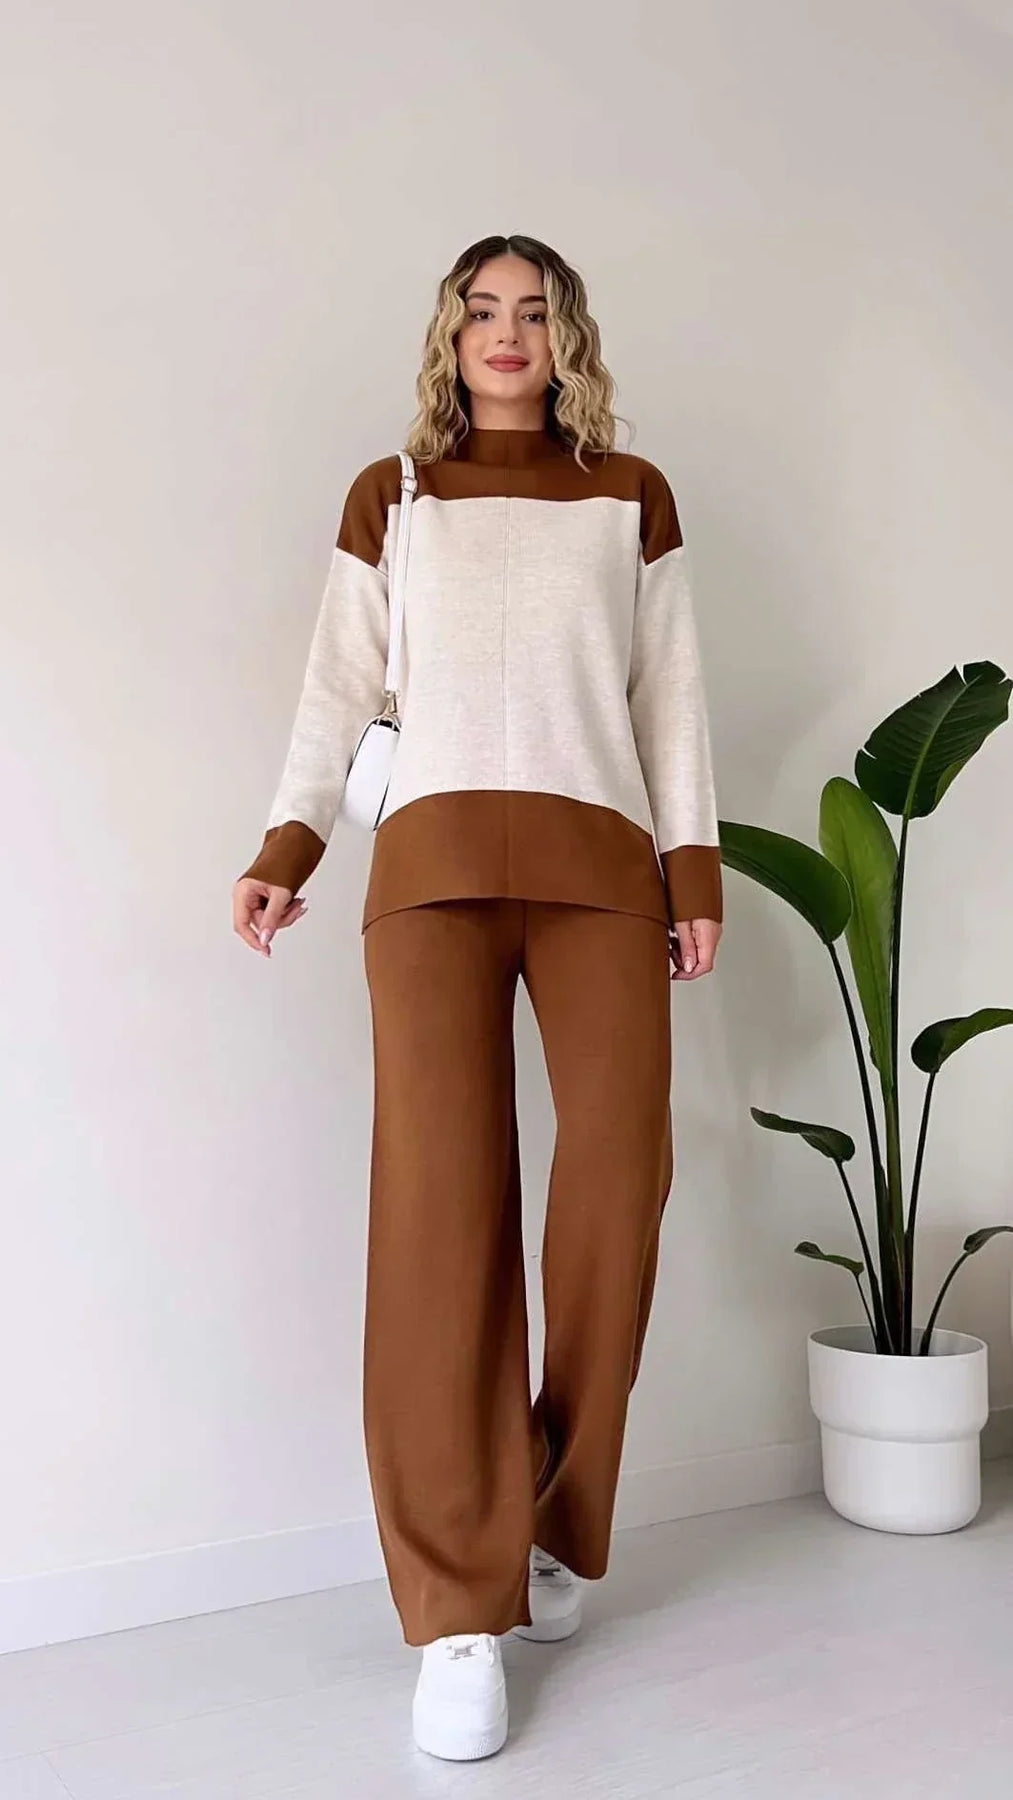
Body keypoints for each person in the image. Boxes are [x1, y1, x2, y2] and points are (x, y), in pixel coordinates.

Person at [232, 233, 723, 1762]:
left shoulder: (628, 495)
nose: (506, 334)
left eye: (534, 312)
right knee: (440, 1213)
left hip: (600, 868)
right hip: (431, 876)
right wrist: (287, 847)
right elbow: (338, 688)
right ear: (448, 338)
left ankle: (555, 1521)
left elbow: (669, 694)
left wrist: (692, 873)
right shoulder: (394, 496)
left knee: (616, 1185)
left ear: (568, 337)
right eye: (480, 312)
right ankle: (457, 1605)